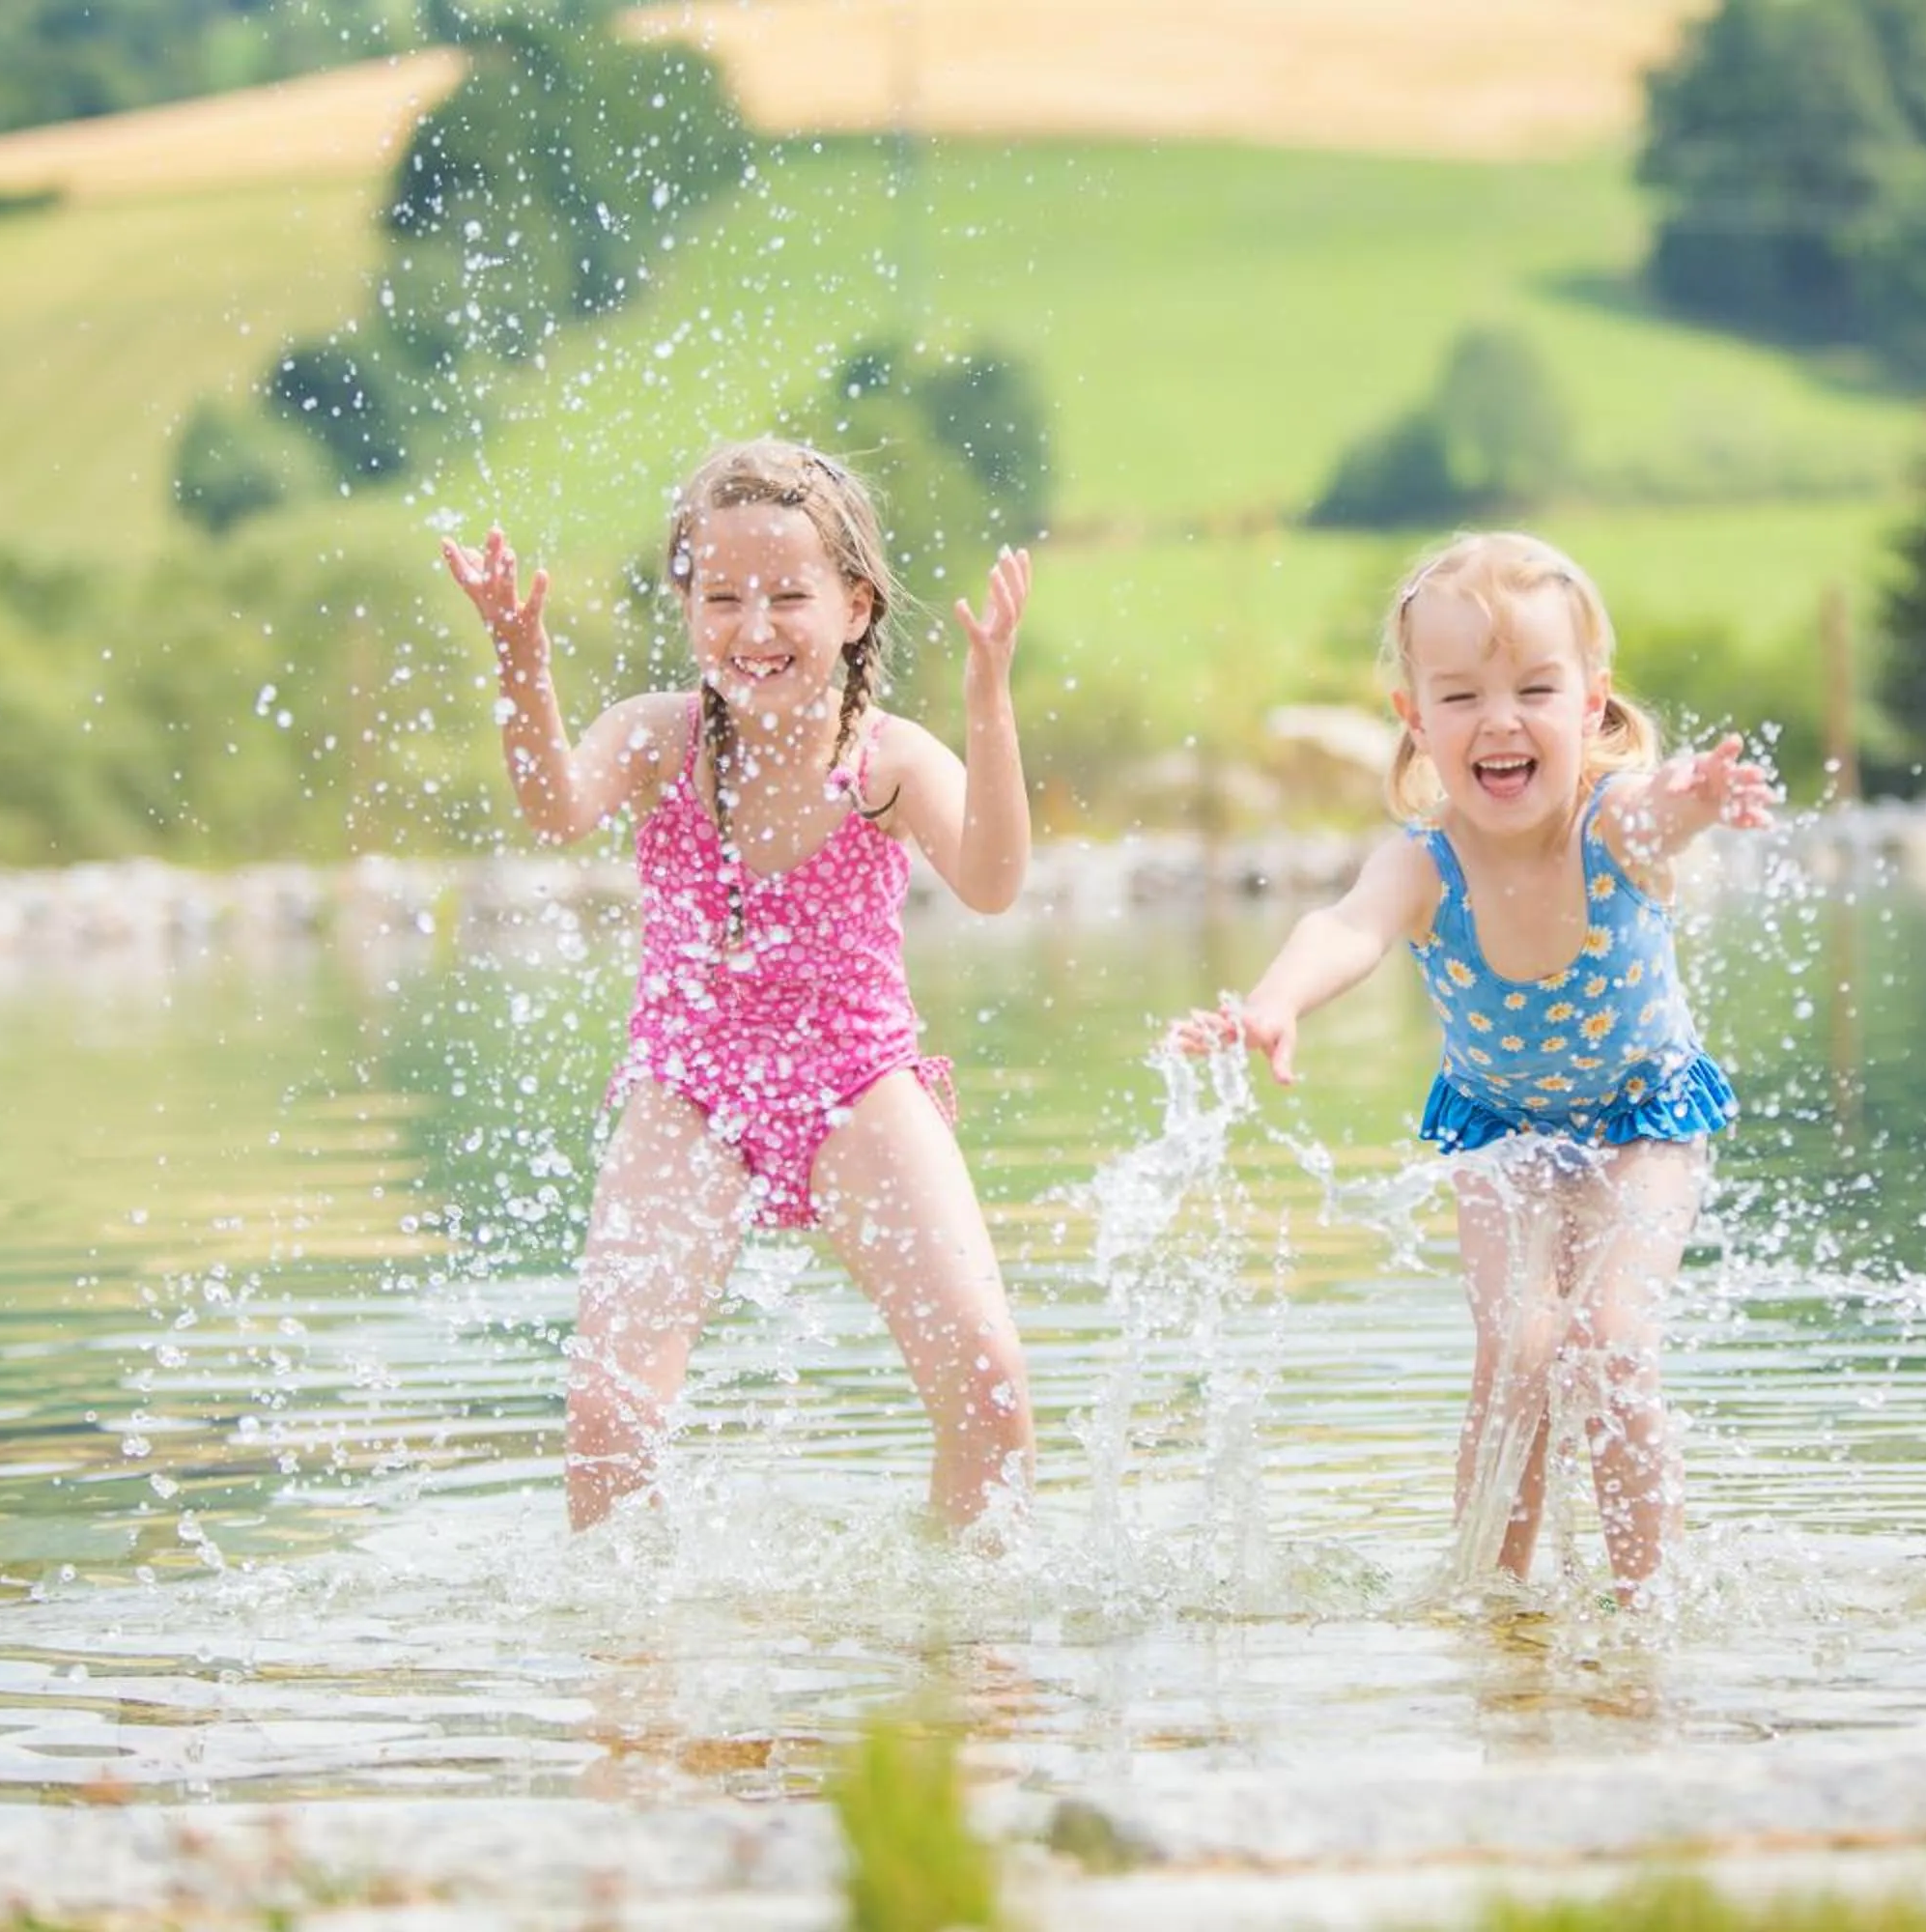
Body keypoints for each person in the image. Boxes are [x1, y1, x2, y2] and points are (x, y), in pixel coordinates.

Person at [439, 438, 1037, 1534]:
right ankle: (634, 1680)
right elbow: (556, 807)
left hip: (859, 1080)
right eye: (720, 595)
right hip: (691, 1087)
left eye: (786, 597)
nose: (752, 629)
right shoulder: (658, 739)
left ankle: (970, 1657)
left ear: (854, 606)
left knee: (990, 1389)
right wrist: (521, 663)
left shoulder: (889, 760)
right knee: (606, 1409)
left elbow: (995, 883)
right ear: (686, 602)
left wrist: (987, 700)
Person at [1175, 531, 1773, 1603]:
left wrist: (1694, 796)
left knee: (1613, 1341)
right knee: (1517, 1348)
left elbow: (1656, 814)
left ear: (1591, 703)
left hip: (1645, 1122)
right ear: (1415, 718)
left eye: (1536, 688)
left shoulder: (1612, 826)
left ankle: (1649, 1603)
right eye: (1461, 697)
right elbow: (1345, 927)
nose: (1500, 719)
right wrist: (1272, 1002)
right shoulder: (1421, 862)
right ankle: (1489, 1604)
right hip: (1501, 1125)